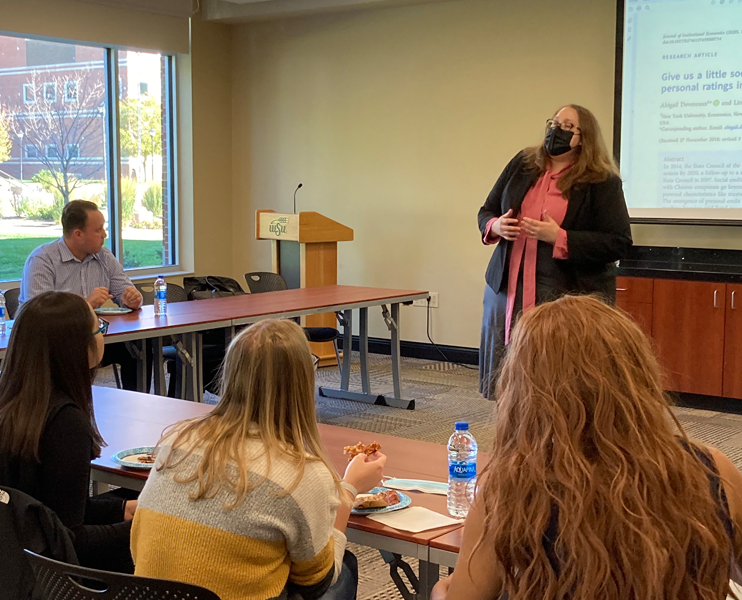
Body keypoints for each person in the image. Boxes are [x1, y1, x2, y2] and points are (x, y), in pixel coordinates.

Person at [432, 295, 742, 600]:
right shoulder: (714, 468)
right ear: (637, 376)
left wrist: (440, 592)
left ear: (524, 392)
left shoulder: (510, 490)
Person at [130, 319, 384, 600]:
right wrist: (348, 491)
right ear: (303, 380)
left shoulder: (176, 438)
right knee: (343, 567)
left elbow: (136, 545)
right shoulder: (302, 473)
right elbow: (316, 581)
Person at [0, 291, 137, 573]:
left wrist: (119, 511)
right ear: (76, 347)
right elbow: (67, 544)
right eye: (99, 328)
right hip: (36, 578)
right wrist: (139, 529)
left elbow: (44, 509)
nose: (102, 336)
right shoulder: (64, 423)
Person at [477, 104, 631, 399]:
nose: (556, 129)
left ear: (583, 138)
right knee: (507, 381)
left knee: (556, 384)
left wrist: (560, 237)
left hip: (563, 291)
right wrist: (496, 226)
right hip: (508, 288)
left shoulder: (601, 180)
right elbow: (487, 210)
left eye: (567, 126)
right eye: (554, 122)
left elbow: (619, 241)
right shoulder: (523, 164)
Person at [19, 200, 144, 389]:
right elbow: (39, 317)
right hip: (52, 345)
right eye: (98, 230)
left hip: (93, 336)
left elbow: (126, 291)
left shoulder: (104, 257)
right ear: (78, 234)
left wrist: (132, 299)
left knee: (140, 346)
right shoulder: (42, 260)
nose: (104, 235)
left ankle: (136, 405)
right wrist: (85, 304)